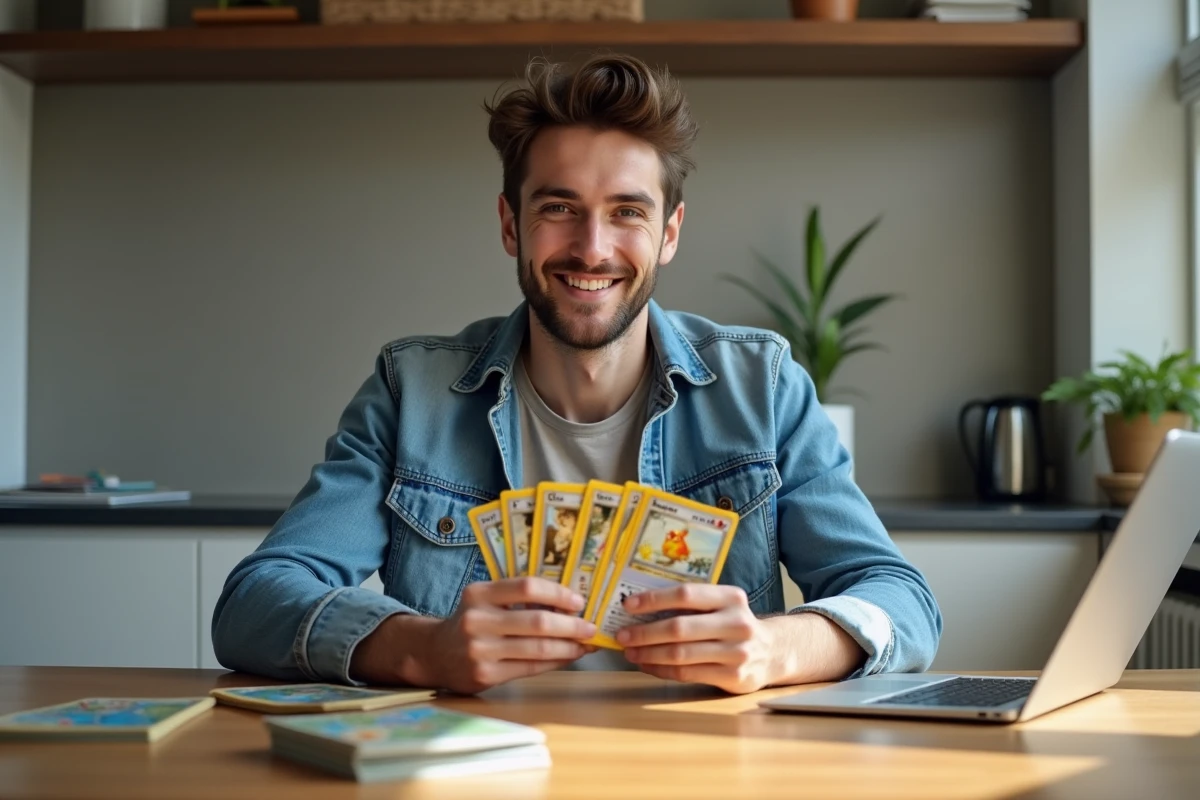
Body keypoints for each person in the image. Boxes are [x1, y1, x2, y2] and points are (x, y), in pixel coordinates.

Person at [212, 53, 942, 696]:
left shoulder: (763, 387)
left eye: (627, 212)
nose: (592, 249)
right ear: (510, 225)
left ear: (670, 233)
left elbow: (901, 601)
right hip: (479, 768)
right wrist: (422, 650)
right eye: (559, 208)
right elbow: (253, 603)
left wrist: (772, 648)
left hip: (704, 767)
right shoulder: (413, 393)